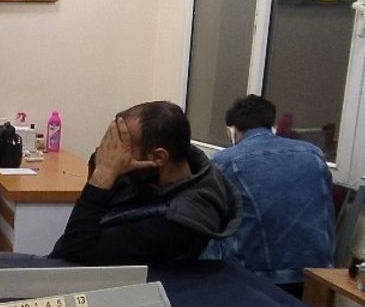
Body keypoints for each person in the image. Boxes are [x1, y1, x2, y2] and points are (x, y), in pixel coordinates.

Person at [50, 101, 241, 265]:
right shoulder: (151, 173)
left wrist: (104, 173)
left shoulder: (177, 222)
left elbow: (74, 251)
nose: (112, 153)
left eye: (123, 146)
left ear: (158, 157)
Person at [202, 95, 334, 297]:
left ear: (233, 130)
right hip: (316, 274)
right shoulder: (314, 154)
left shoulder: (225, 161)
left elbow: (206, 217)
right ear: (271, 124)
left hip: (255, 278)